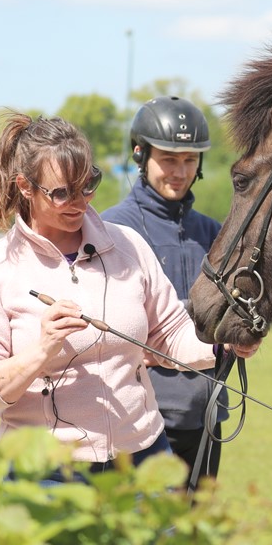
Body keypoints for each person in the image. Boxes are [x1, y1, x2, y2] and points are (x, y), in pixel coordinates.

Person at [0, 111, 256, 482]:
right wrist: (39, 353)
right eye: (61, 192)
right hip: (46, 474)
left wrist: (224, 345)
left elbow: (171, 334)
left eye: (88, 185)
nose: (79, 203)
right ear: (25, 187)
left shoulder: (128, 245)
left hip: (142, 459)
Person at [101, 96, 228, 484]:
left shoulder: (214, 233)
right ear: (141, 154)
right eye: (169, 159)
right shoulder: (113, 231)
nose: (180, 171)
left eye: (190, 160)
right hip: (141, 423)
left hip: (206, 416)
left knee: (194, 536)